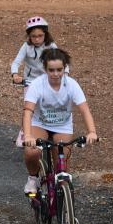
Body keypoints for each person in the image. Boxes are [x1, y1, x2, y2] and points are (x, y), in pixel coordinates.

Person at [22, 48, 98, 193]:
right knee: (32, 152)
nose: (56, 74)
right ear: (45, 69)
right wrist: (28, 135)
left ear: (64, 68)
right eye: (51, 70)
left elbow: (84, 110)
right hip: (40, 124)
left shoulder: (72, 85)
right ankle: (33, 178)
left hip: (62, 126)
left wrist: (92, 132)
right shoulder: (37, 85)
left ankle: (64, 207)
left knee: (62, 167)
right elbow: (28, 112)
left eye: (59, 70)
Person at [10, 16, 65, 147]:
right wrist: (15, 74)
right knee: (29, 108)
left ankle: (49, 130)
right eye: (33, 36)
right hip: (30, 82)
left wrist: (65, 74)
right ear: (29, 36)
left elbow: (62, 61)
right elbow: (17, 61)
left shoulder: (50, 46)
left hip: (47, 81)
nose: (36, 39)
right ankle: (24, 133)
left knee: (50, 106)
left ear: (46, 35)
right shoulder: (26, 46)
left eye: (40, 36)